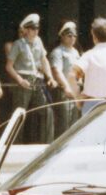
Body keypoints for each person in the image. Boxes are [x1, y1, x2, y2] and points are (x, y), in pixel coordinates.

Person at [6, 14, 67, 144]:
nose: (35, 31)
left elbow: (43, 60)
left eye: (37, 29)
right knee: (19, 114)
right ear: (26, 30)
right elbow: (9, 66)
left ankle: (47, 143)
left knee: (46, 111)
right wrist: (19, 80)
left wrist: (50, 77)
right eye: (33, 29)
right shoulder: (18, 44)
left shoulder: (38, 41)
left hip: (37, 79)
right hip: (23, 78)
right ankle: (14, 145)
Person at [49, 21, 82, 139]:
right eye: (69, 35)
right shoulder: (58, 52)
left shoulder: (75, 52)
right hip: (63, 91)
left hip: (75, 91)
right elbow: (56, 71)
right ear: (62, 35)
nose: (72, 38)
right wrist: (66, 86)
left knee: (74, 122)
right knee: (64, 124)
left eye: (74, 35)